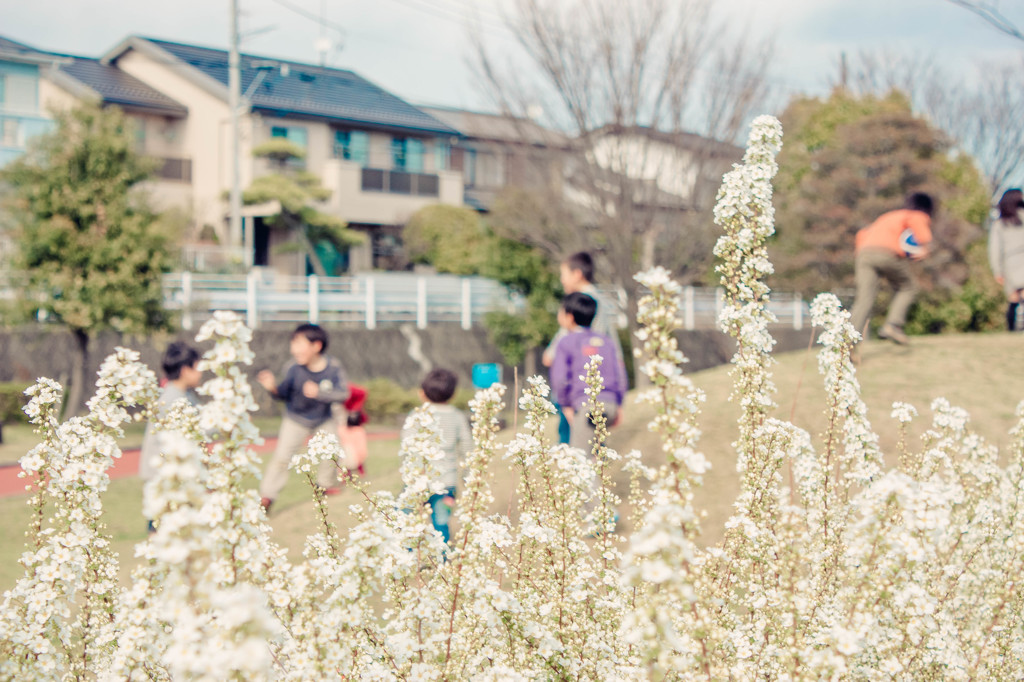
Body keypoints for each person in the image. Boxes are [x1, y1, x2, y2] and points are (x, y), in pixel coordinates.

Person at [257, 323, 349, 514]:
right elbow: (283, 394)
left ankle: (323, 486)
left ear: (316, 346)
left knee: (332, 452)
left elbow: (343, 394)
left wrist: (320, 393)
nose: (293, 350)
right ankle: (267, 497)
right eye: (293, 344)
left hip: (323, 418)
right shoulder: (293, 368)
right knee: (282, 458)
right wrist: (273, 388)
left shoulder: (333, 367)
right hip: (295, 419)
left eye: (299, 344)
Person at [542, 251, 625, 443]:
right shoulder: (599, 300)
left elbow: (567, 343)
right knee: (594, 444)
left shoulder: (580, 303)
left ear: (577, 273)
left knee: (576, 447)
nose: (562, 280)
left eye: (564, 274)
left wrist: (551, 353)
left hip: (579, 392)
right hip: (600, 392)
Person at [849, 192, 935, 345]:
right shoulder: (916, 215)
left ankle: (847, 345)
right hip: (886, 254)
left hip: (863, 254)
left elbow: (862, 233)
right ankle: (893, 325)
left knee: (864, 299)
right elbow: (922, 233)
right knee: (908, 287)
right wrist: (926, 249)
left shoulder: (888, 216)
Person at [548, 292, 627, 454]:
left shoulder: (566, 341)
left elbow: (560, 378)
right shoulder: (607, 341)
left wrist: (565, 405)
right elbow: (620, 374)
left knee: (582, 458)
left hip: (586, 406)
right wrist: (618, 404)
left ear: (569, 317)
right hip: (610, 404)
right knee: (596, 452)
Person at [399, 368, 471, 544]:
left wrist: (409, 472)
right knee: (441, 522)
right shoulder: (457, 416)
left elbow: (406, 445)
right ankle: (442, 561)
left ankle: (408, 557)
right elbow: (468, 447)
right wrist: (469, 476)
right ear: (453, 395)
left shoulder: (416, 415)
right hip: (447, 482)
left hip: (418, 480)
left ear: (422, 393)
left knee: (407, 521)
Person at [139, 341, 203, 532]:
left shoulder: (186, 395)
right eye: (197, 368)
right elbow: (195, 428)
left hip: (177, 472)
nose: (201, 373)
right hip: (163, 473)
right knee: (160, 523)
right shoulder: (171, 399)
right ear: (185, 370)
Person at [988, 188, 1024, 331]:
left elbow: (995, 249)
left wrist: (997, 270)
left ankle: (1012, 330)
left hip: (1010, 263)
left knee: (1013, 299)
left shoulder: (1000, 223)